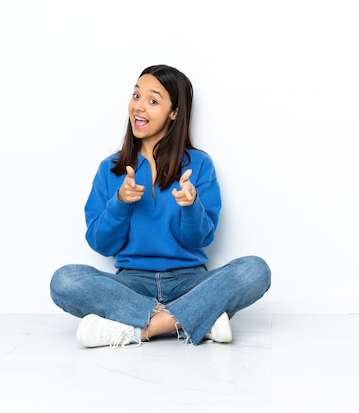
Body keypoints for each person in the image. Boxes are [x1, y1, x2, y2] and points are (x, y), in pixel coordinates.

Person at [49, 64, 271, 348]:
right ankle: (197, 319)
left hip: (189, 282)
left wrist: (191, 206)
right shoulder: (111, 169)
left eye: (153, 101)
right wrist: (119, 203)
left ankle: (136, 330)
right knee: (65, 280)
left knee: (254, 270)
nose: (139, 107)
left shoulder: (199, 165)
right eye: (136, 96)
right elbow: (101, 244)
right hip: (132, 285)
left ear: (174, 113)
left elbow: (199, 240)